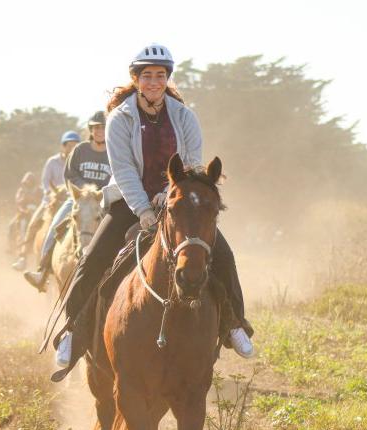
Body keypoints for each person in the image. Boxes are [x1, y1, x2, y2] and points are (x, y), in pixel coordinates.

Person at [53, 43, 254, 367]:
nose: (154, 82)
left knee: (223, 254)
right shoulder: (120, 118)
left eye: (160, 75)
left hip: (174, 199)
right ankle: (72, 330)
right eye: (146, 76)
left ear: (167, 79)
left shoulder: (184, 116)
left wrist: (168, 192)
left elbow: (190, 163)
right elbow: (123, 169)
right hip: (129, 202)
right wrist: (145, 211)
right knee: (92, 260)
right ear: (135, 79)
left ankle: (234, 324)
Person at [23, 111, 112, 291]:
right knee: (54, 226)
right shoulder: (81, 150)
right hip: (78, 199)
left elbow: (119, 175)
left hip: (103, 199)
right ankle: (42, 270)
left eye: (103, 127)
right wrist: (83, 191)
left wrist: (101, 192)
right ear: (91, 130)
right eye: (96, 128)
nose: (100, 131)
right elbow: (70, 174)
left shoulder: (114, 150)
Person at [11, 130, 81, 271]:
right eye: (69, 145)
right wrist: (51, 194)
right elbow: (45, 183)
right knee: (33, 223)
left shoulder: (80, 163)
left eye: (75, 145)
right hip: (52, 200)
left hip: (72, 201)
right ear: (64, 146)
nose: (72, 148)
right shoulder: (52, 162)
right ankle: (23, 257)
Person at [8, 171, 41, 255]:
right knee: (11, 225)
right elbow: (18, 203)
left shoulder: (39, 190)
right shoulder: (21, 191)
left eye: (29, 182)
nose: (28, 184)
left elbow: (42, 202)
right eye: (26, 182)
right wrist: (24, 210)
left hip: (37, 213)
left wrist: (34, 201)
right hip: (23, 214)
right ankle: (11, 246)